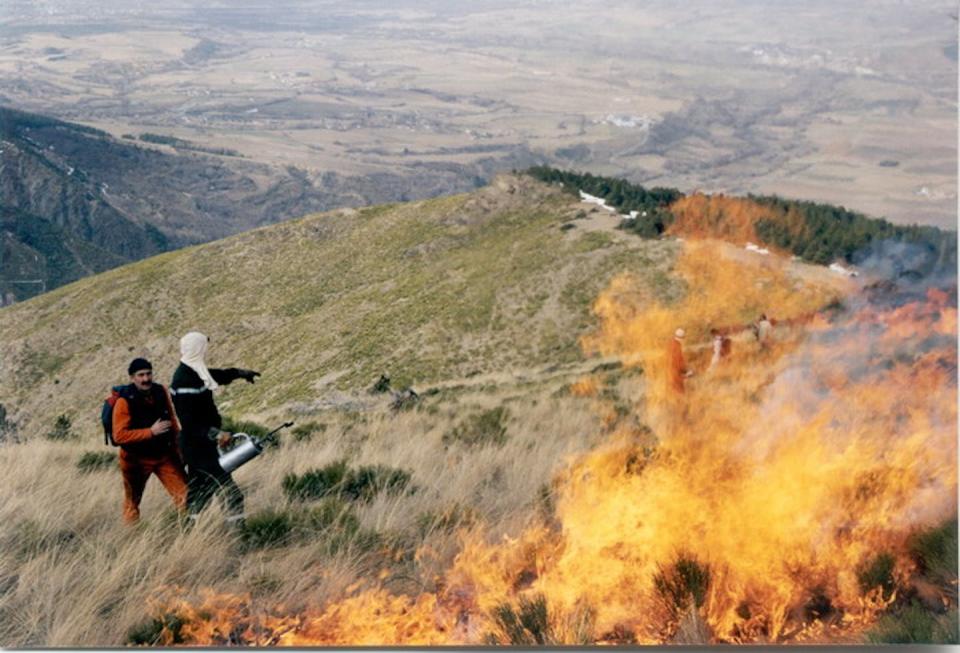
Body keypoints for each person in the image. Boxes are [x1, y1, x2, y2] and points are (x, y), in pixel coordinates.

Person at [170, 332, 260, 526]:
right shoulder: (184, 380)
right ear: (196, 348)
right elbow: (189, 423)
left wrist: (242, 373)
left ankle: (187, 533)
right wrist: (216, 434)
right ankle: (239, 536)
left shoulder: (195, 370)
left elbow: (218, 375)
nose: (206, 350)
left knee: (199, 494)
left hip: (201, 447)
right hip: (198, 448)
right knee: (231, 494)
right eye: (203, 346)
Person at [112, 357, 188, 524]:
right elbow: (119, 436)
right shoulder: (124, 400)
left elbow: (172, 420)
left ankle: (188, 534)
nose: (146, 379)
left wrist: (179, 448)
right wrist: (150, 432)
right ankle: (132, 537)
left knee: (185, 497)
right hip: (135, 460)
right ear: (132, 378)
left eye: (148, 374)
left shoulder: (160, 391)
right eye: (140, 375)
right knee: (132, 502)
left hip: (164, 456)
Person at [667, 328, 691, 394]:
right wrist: (686, 371)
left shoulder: (670, 343)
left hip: (669, 371)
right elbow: (678, 361)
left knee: (672, 390)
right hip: (675, 372)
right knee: (679, 391)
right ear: (682, 338)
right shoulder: (677, 346)